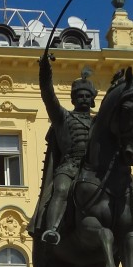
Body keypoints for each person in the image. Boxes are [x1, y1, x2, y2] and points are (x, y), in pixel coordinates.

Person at [30, 55, 97, 246]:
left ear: (93, 100)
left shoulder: (97, 121)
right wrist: (45, 71)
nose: (83, 99)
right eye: (79, 96)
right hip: (69, 167)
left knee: (125, 191)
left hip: (94, 170)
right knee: (60, 190)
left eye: (87, 96)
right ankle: (52, 229)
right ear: (73, 99)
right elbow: (48, 95)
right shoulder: (63, 117)